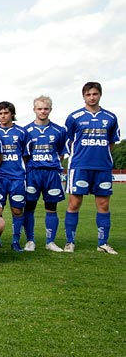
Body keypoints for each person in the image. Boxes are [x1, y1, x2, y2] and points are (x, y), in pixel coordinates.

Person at [64, 81, 120, 254]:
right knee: (74, 203)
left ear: (100, 95)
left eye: (94, 94)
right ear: (83, 96)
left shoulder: (110, 117)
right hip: (79, 166)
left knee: (103, 204)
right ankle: (70, 242)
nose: (92, 97)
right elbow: (68, 141)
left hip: (102, 167)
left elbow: (111, 143)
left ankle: (103, 243)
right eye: (88, 94)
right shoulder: (74, 117)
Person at [23, 95, 67, 252]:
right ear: (34, 109)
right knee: (29, 207)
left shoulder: (59, 131)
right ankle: (30, 241)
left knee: (51, 207)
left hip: (51, 174)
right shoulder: (26, 131)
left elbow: (61, 152)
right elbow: (25, 155)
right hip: (33, 173)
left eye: (46, 108)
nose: (43, 111)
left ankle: (50, 241)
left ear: (50, 110)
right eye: (39, 108)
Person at [0, 101, 29, 252]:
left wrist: (18, 169)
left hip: (17, 178)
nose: (3, 116)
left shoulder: (22, 132)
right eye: (0, 113)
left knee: (17, 210)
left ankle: (15, 240)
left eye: (6, 113)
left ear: (12, 114)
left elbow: (26, 156)